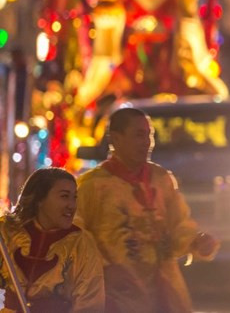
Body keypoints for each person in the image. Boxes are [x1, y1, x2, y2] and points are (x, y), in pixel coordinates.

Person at [76, 107, 218, 313]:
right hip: (116, 295)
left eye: (149, 135)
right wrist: (103, 269)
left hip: (164, 293)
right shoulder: (92, 185)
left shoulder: (161, 179)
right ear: (116, 139)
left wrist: (196, 242)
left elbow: (179, 225)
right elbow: (75, 237)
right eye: (139, 135)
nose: (147, 142)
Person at [0, 167, 104, 313]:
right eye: (64, 196)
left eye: (74, 197)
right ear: (40, 200)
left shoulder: (81, 243)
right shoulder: (7, 231)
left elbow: (89, 304)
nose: (72, 205)